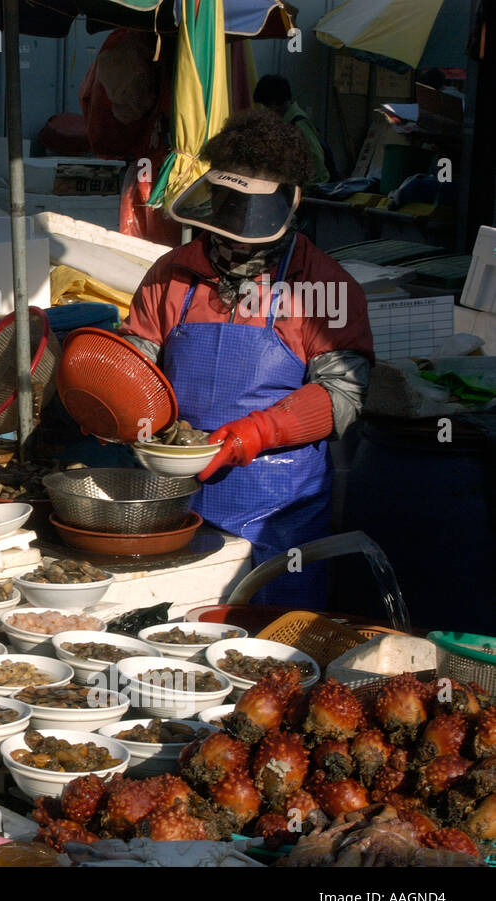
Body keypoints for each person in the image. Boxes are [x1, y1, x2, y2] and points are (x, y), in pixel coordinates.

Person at [119, 109, 373, 609]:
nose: (233, 240)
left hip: (279, 512)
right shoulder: (172, 274)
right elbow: (137, 356)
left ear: (289, 206)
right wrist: (114, 398)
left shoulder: (322, 285)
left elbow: (343, 392)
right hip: (174, 501)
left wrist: (255, 433)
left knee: (273, 648)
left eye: (248, 223)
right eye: (226, 215)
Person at [253, 75, 332, 187]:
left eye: (265, 107)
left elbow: (317, 165)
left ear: (274, 104)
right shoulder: (286, 122)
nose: (264, 111)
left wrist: (305, 192)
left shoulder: (298, 124)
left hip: (309, 192)